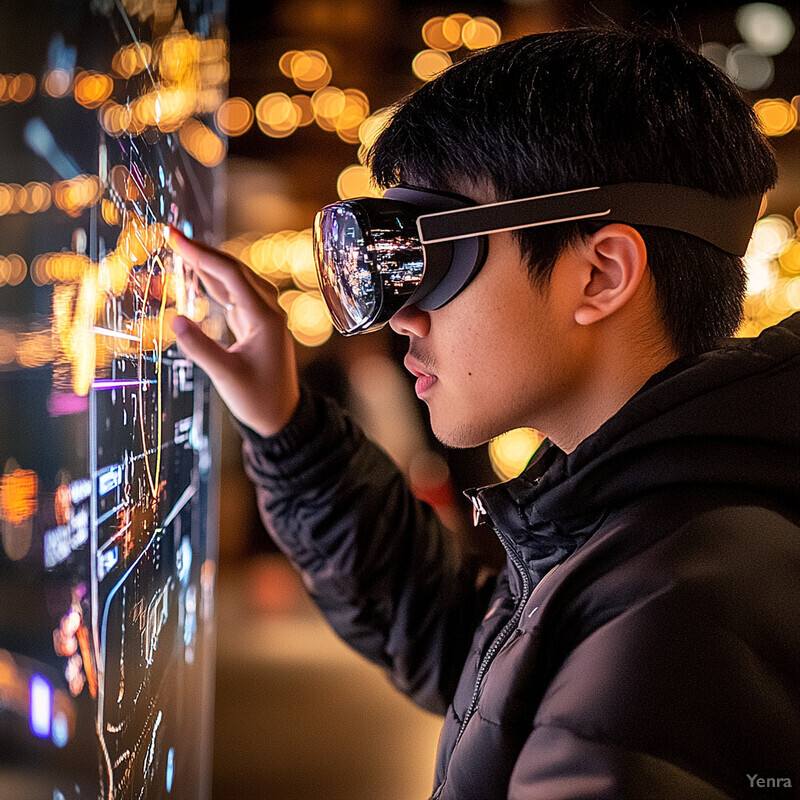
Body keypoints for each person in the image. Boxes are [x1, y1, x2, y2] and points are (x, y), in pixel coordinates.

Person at [169, 25, 800, 800]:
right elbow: (469, 644)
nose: (403, 316)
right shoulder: (635, 525)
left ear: (601, 273)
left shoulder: (681, 623)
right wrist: (286, 423)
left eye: (430, 259)